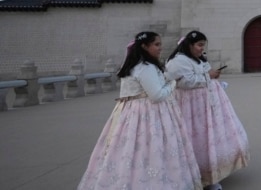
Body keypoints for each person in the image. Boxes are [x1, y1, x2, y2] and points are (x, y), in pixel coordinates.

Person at [78, 31, 202, 190]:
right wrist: (172, 84)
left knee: (130, 151)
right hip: (148, 115)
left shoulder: (133, 66)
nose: (160, 48)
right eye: (156, 44)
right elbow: (157, 95)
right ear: (144, 46)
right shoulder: (145, 67)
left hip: (130, 114)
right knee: (151, 150)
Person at [166, 31, 250, 190]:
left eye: (203, 45)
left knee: (210, 140)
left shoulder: (197, 59)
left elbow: (203, 76)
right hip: (191, 110)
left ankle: (212, 176)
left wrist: (214, 79)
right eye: (199, 45)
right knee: (197, 141)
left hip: (206, 107)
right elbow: (182, 82)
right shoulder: (178, 61)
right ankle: (197, 176)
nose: (201, 49)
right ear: (189, 45)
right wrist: (208, 76)